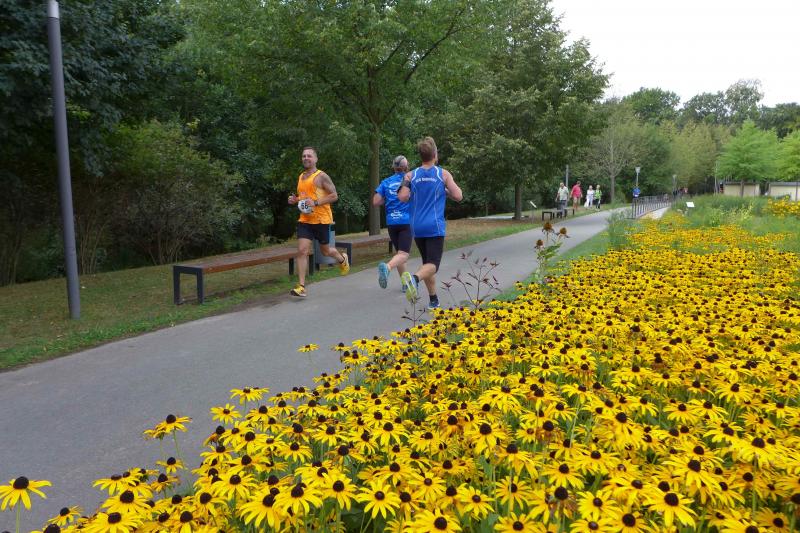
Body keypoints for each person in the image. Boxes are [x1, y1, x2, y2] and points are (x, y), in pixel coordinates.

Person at [397, 136, 463, 310]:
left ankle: (433, 299)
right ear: (435, 154)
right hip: (434, 227)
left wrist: (409, 185)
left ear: (421, 155)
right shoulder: (442, 174)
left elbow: (402, 197)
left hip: (417, 227)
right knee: (433, 265)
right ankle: (414, 279)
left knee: (427, 263)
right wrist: (446, 191)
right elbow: (458, 196)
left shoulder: (411, 175)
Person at [287, 147, 349, 298]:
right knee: (302, 250)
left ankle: (342, 259)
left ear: (315, 159)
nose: (306, 158)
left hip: (321, 220)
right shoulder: (301, 177)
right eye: (304, 156)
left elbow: (334, 195)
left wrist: (316, 202)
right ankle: (301, 287)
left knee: (326, 251)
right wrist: (295, 200)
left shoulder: (322, 176)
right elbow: (305, 198)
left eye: (309, 156)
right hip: (305, 220)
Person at [373, 155, 412, 290]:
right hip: (405, 221)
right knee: (403, 254)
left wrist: (389, 199)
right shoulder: (409, 180)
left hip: (391, 223)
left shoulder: (386, 182)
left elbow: (376, 201)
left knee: (400, 253)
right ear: (406, 167)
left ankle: (405, 284)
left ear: (393, 167)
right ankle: (387, 267)